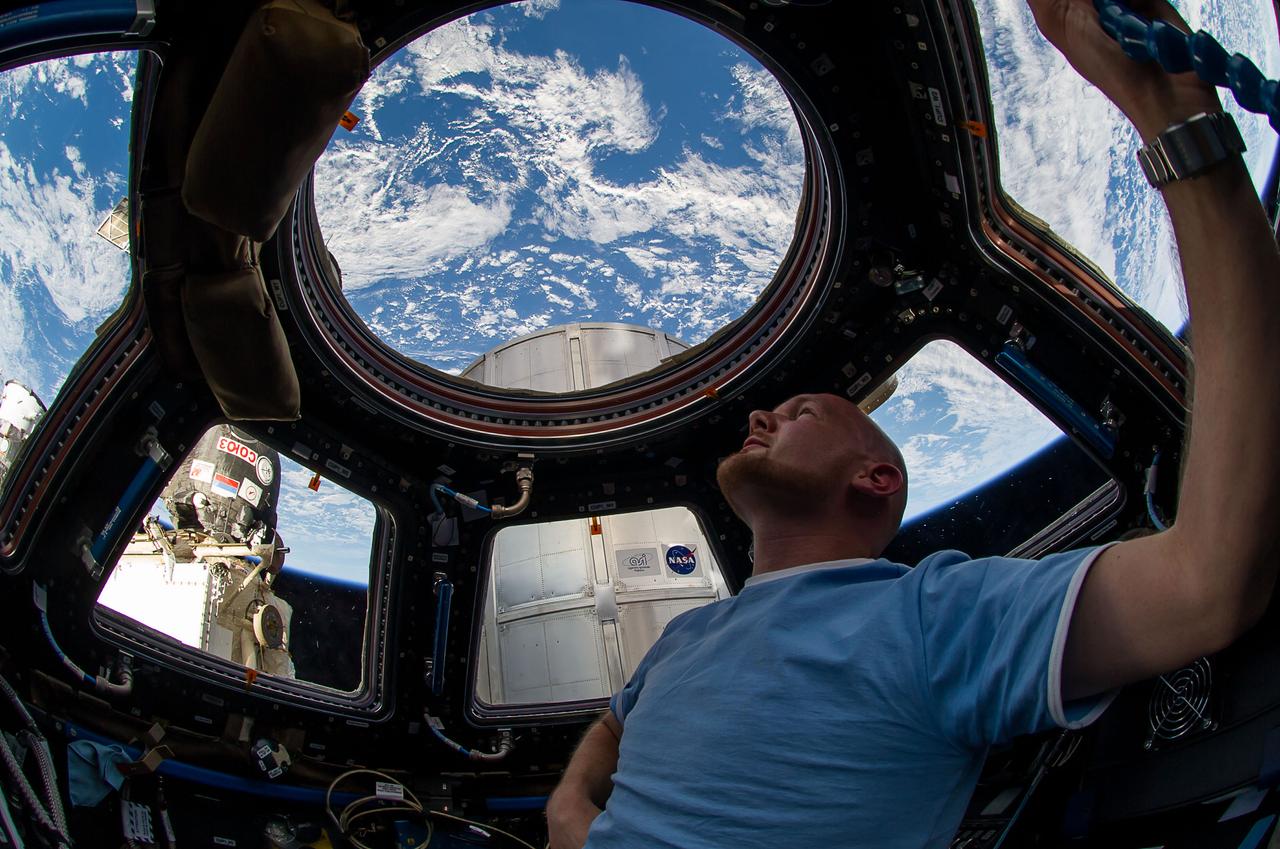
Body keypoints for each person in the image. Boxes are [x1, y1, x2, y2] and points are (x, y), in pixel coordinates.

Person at [545, 0, 1280, 845]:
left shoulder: (936, 618)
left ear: (876, 478)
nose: (761, 410)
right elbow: (612, 725)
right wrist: (572, 808)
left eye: (801, 411)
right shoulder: (683, 638)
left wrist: (1177, 120)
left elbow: (1210, 582)